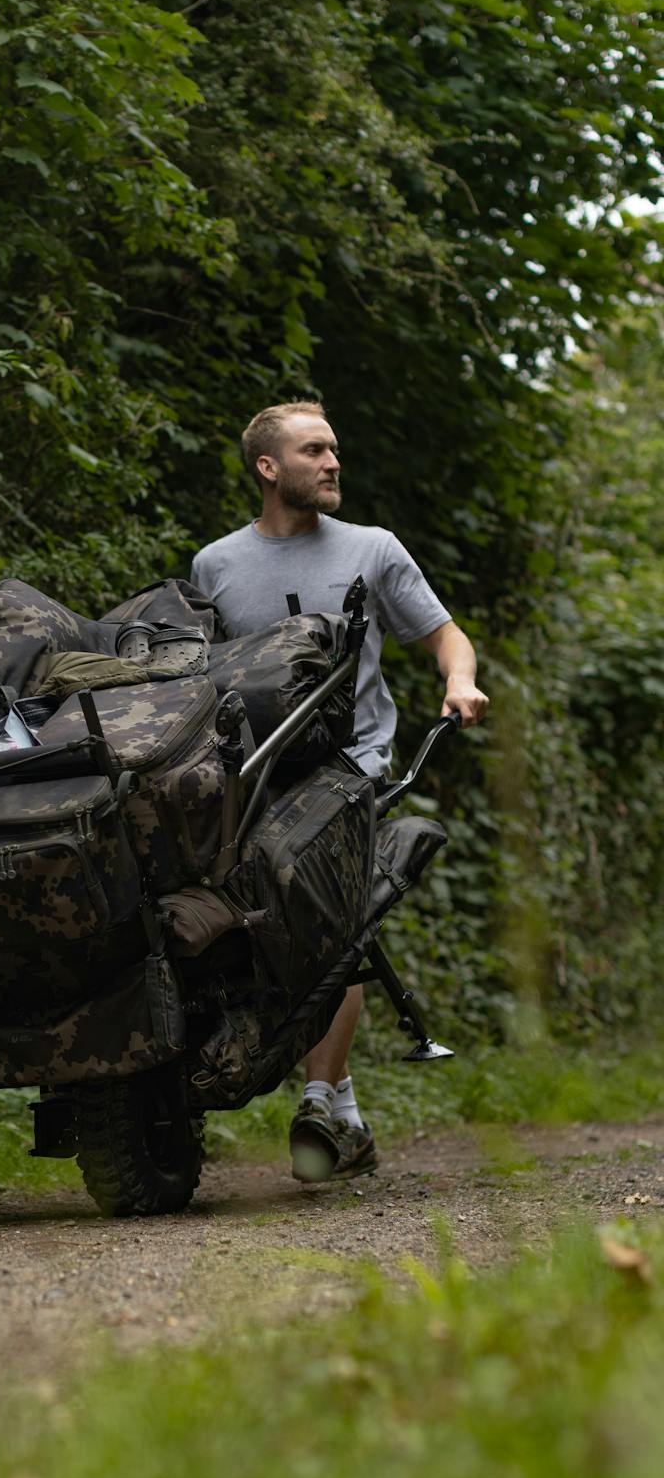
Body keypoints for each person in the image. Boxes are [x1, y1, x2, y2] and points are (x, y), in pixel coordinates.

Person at [191, 400, 488, 1184]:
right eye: (314, 450)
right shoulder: (215, 566)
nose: (332, 463)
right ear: (268, 468)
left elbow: (443, 634)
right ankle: (336, 1105)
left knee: (335, 921)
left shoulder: (373, 549)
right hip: (253, 775)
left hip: (351, 766)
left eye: (335, 450)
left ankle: (320, 1099)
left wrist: (460, 682)